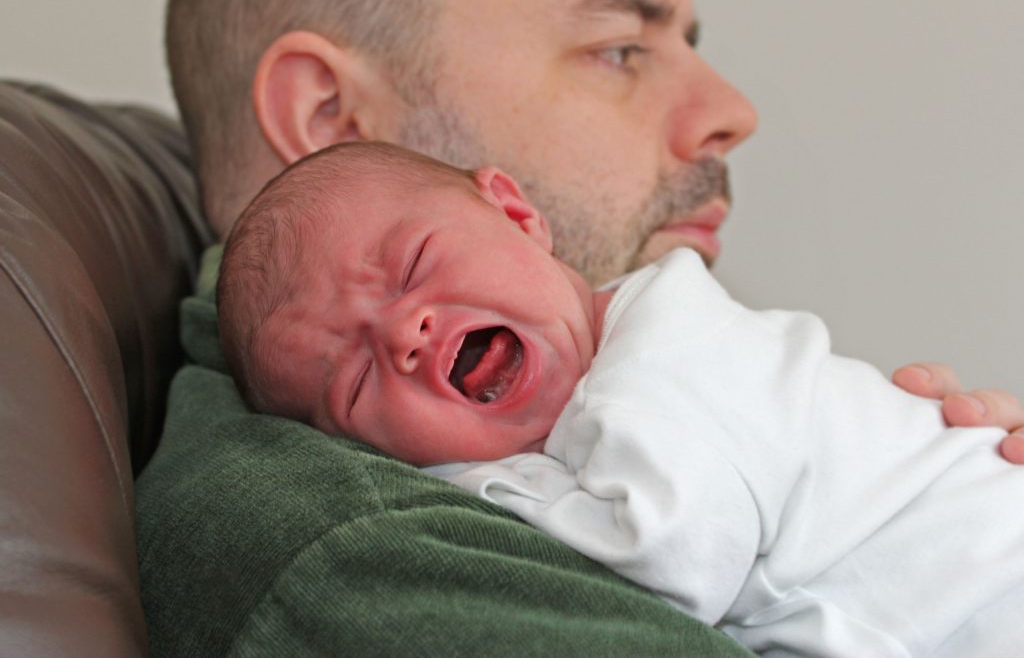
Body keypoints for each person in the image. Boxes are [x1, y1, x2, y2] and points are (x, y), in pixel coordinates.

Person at [165, 0, 1024, 444]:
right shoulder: (367, 548)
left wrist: (924, 503)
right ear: (330, 118)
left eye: (691, 43)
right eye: (618, 48)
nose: (732, 111)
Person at [218, 142, 1024, 657]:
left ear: (516, 212)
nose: (406, 331)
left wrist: (479, 483)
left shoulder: (668, 349)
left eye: (416, 262)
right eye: (356, 380)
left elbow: (676, 557)